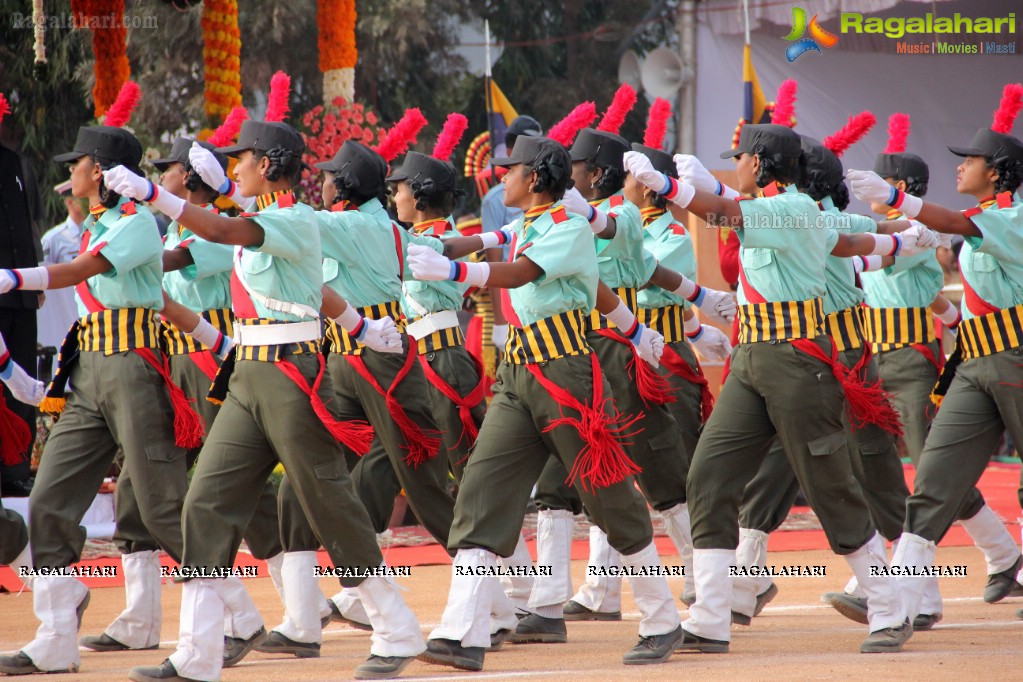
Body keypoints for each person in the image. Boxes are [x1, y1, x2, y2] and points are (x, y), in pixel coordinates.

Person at [105, 117, 426, 681]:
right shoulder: (267, 219)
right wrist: (356, 323)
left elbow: (226, 235)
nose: (235, 168)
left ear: (270, 164)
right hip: (248, 372)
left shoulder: (293, 218)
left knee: (329, 499)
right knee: (204, 502)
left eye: (243, 158)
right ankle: (198, 653)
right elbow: (306, 286)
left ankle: (397, 630)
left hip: (290, 374)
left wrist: (157, 196)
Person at [625, 122, 941, 654]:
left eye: (742, 157)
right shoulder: (786, 210)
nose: (736, 165)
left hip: (797, 359)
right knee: (708, 476)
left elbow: (725, 211)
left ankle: (888, 608)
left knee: (829, 486)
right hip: (752, 357)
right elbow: (845, 242)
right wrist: (898, 241)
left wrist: (667, 186)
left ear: (763, 162)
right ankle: (710, 618)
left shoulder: (790, 207)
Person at [410, 135, 684, 671]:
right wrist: (432, 249)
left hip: (565, 373)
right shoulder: (529, 224)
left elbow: (520, 273)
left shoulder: (566, 227)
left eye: (509, 170)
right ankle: (462, 631)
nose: (500, 177)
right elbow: (488, 240)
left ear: (535, 177)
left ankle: (661, 617)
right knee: (481, 490)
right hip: (518, 374)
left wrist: (454, 272)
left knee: (607, 495)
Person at [0, 124, 199, 676]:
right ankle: (57, 637)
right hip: (90, 369)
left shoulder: (136, 226)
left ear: (105, 172)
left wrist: (13, 277)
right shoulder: (102, 224)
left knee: (162, 507)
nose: (70, 173)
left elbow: (84, 273)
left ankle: (229, 615)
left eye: (77, 163)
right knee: (49, 500)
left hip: (133, 367)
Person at [847, 82, 1023, 623]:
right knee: (933, 478)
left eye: (969, 160)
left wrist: (901, 202)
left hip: (1014, 358)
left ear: (995, 171)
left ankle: (1004, 560)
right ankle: (903, 604)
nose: (959, 166)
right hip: (972, 361)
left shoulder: (1010, 218)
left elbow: (952, 223)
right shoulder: (981, 223)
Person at [0, 138, 43, 498]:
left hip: (21, 287)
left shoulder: (18, 162)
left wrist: (36, 277)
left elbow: (31, 222)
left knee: (23, 377)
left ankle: (16, 469)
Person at [38, 181, 85, 351]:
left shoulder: (96, 231)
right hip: (65, 312)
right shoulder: (54, 239)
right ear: (69, 202)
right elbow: (44, 277)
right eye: (82, 199)